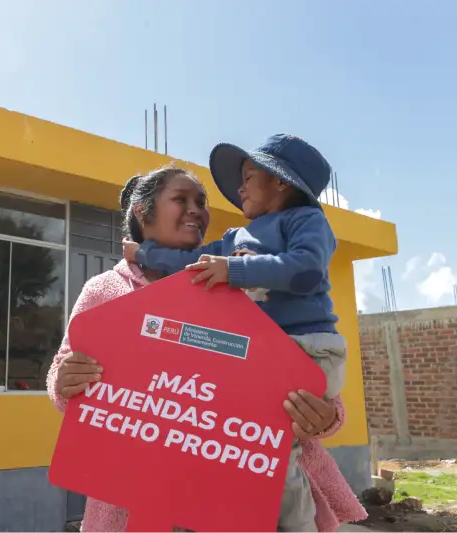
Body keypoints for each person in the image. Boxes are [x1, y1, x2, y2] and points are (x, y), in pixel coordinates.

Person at [47, 165, 366, 533]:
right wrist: (64, 380)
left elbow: (295, 367)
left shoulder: (237, 282)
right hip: (132, 506)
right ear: (142, 211)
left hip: (234, 502)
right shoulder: (104, 290)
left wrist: (326, 416)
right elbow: (62, 376)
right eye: (181, 200)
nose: (197, 210)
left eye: (202, 202)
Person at [122, 135, 346, 533]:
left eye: (249, 176)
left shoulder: (306, 221)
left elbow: (307, 268)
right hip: (266, 353)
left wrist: (237, 271)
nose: (240, 188)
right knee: (252, 446)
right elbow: (194, 262)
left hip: (308, 347)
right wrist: (144, 255)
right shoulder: (235, 239)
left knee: (271, 450)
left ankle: (296, 526)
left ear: (280, 182)